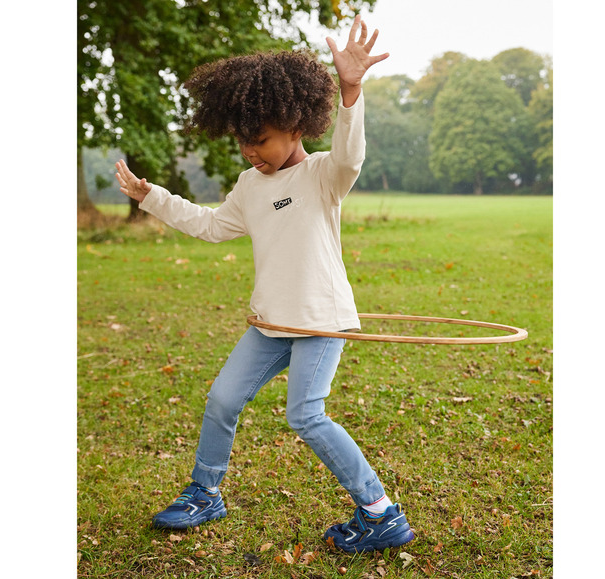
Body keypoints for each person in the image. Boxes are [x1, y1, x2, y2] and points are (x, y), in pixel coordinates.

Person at [115, 16, 413, 554]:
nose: (252, 153)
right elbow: (211, 225)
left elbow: (351, 155)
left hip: (318, 320)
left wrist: (350, 90)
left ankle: (380, 512)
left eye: (261, 141)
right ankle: (205, 493)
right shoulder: (250, 186)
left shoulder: (323, 175)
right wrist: (151, 196)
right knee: (222, 398)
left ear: (296, 127)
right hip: (270, 321)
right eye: (243, 143)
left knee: (306, 414)